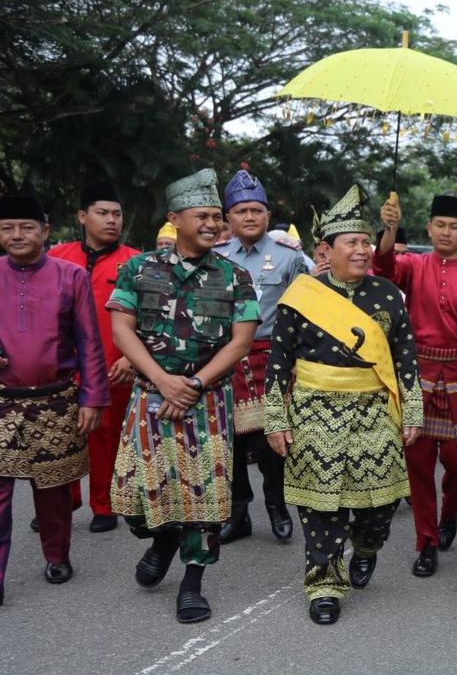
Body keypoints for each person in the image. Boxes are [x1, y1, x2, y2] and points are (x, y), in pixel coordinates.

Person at [263, 184, 423, 625]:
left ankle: (367, 547)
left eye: (365, 242)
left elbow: (406, 358)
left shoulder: (388, 294)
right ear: (325, 249)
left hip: (375, 410)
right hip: (315, 411)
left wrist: (412, 411)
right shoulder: (301, 296)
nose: (362, 250)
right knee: (321, 507)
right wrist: (276, 420)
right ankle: (324, 585)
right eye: (351, 242)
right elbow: (277, 364)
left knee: (379, 508)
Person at [107, 168, 258, 624]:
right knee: (135, 497)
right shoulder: (139, 269)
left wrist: (191, 385)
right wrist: (164, 380)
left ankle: (192, 584)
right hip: (152, 397)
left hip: (207, 401)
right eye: (203, 216)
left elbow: (241, 342)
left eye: (217, 217)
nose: (213, 224)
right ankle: (161, 539)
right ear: (175, 219)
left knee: (206, 497)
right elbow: (121, 328)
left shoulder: (235, 276)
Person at [375, 193, 457, 576]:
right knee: (418, 463)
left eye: (453, 226)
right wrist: (389, 229)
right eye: (439, 225)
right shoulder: (414, 265)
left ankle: (452, 512)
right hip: (419, 374)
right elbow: (384, 268)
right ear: (429, 228)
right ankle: (426, 543)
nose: (446, 232)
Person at [0, 194, 109, 604]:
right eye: (8, 227)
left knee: (54, 491)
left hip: (56, 401)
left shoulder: (70, 276)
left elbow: (89, 341)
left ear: (45, 232)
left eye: (27, 227)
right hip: (2, 402)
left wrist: (93, 397)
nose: (17, 235)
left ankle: (57, 555)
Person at [212, 170, 310, 545]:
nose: (249, 217)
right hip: (227, 357)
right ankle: (238, 514)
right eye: (240, 211)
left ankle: (277, 505)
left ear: (267, 215)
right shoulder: (217, 257)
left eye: (256, 210)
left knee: (275, 438)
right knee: (231, 441)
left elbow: (306, 309)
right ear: (228, 218)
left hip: (274, 355)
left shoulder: (289, 256)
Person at [46, 183, 140, 533]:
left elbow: (149, 315)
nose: (111, 220)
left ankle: (104, 505)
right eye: (103, 213)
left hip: (113, 366)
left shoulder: (134, 260)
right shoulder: (57, 256)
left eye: (116, 214)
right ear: (83, 216)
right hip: (60, 367)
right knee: (58, 438)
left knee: (105, 438)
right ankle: (61, 501)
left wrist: (131, 360)